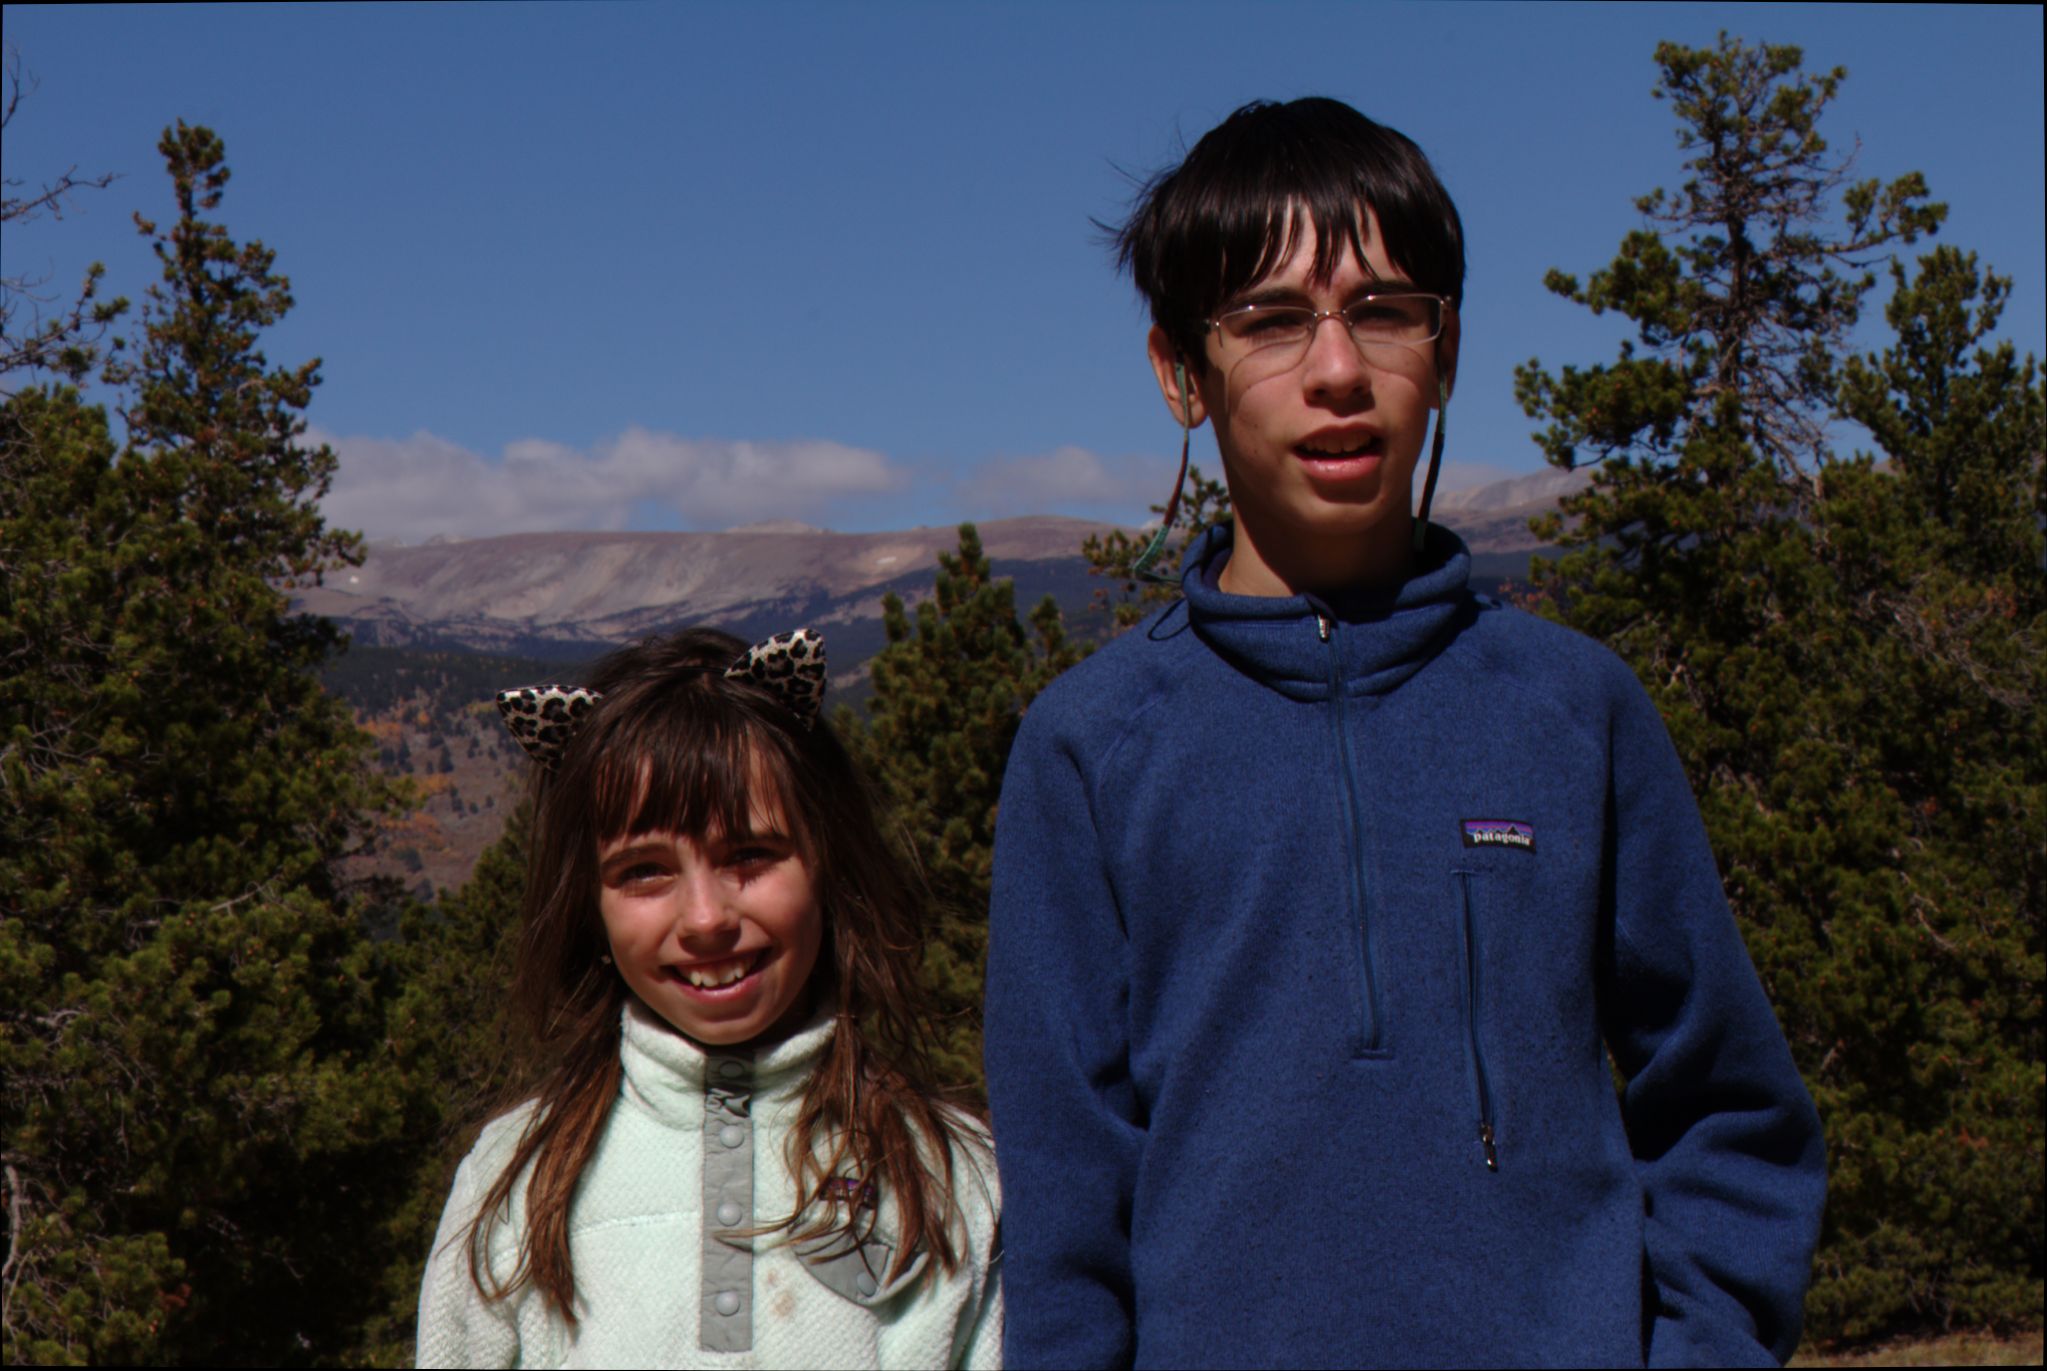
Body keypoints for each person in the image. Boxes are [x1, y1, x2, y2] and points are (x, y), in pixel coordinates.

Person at [982, 98, 1824, 1368]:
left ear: (1444, 345)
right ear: (1179, 372)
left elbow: (1728, 1115)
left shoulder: (1572, 710)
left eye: (1382, 310)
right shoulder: (1090, 748)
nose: (1335, 371)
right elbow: (1063, 1213)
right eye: (1269, 320)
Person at [416, 628, 1002, 1368]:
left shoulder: (953, 1177)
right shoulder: (513, 1179)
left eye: (750, 855)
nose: (705, 918)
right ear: (587, 907)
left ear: (829, 863)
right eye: (644, 872)